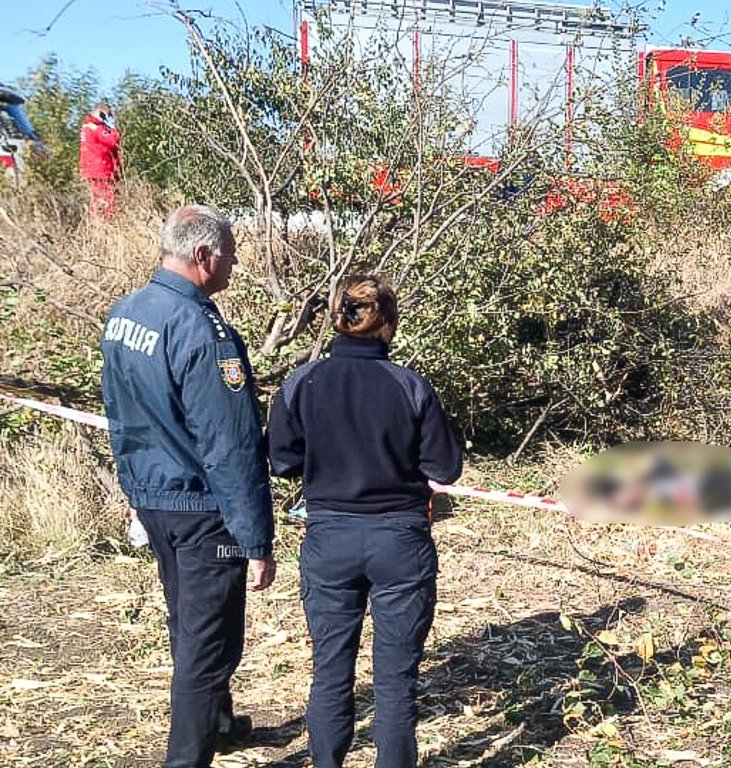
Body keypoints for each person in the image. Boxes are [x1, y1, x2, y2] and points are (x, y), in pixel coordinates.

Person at [100, 204, 275, 768]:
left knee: (186, 619)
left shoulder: (126, 313)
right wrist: (256, 538)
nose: (234, 264)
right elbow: (231, 444)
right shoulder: (203, 331)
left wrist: (133, 490)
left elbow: (119, 415)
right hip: (202, 508)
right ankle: (187, 758)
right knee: (209, 643)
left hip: (155, 498)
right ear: (203, 257)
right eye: (230, 254)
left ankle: (219, 723)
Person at [267, 276, 463, 768]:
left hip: (329, 538)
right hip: (400, 540)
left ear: (337, 320)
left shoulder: (301, 382)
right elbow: (446, 468)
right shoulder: (411, 385)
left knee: (330, 672)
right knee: (396, 680)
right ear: (389, 325)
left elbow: (283, 460)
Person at [79, 102, 121, 217]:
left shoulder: (87, 126)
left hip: (94, 169)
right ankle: (107, 225)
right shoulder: (96, 127)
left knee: (97, 200)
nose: (108, 118)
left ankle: (97, 226)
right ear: (101, 113)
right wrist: (115, 127)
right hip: (101, 170)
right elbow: (113, 140)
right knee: (108, 200)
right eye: (107, 115)